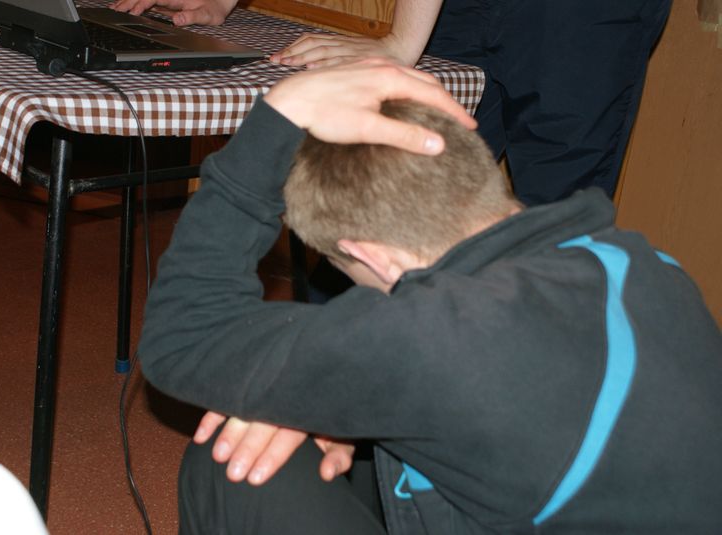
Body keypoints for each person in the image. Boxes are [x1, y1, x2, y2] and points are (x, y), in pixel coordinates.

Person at [136, 59, 722, 534]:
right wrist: (333, 401)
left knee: (231, 464)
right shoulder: (648, 265)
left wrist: (280, 111)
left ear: (372, 256)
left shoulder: (434, 337)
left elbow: (183, 337)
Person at [110, 0, 672, 205]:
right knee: (395, 191)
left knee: (558, 212)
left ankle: (550, 418)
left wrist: (403, 44)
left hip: (581, 14)